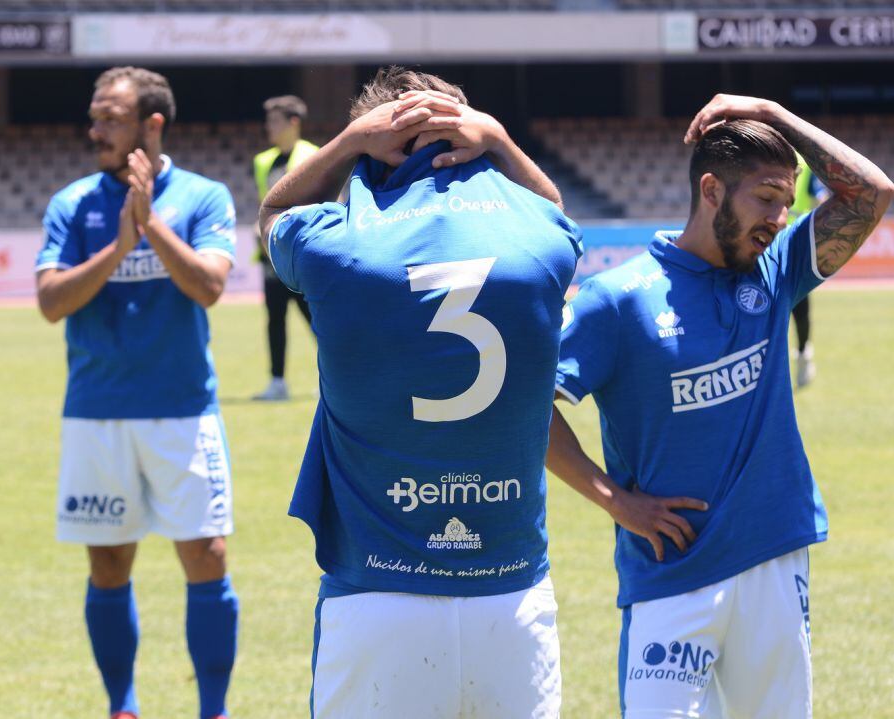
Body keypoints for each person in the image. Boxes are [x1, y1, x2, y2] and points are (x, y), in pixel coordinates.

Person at [547, 94, 894, 718]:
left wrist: (774, 113)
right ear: (712, 190)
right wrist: (615, 501)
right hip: (669, 572)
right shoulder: (617, 300)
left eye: (787, 202)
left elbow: (872, 194)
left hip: (773, 559)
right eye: (766, 197)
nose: (780, 218)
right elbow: (527, 406)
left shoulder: (775, 273)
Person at [259, 67, 583, 718]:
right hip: (510, 594)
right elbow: (556, 214)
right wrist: (501, 141)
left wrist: (347, 143)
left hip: (378, 593)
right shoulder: (542, 244)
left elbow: (271, 216)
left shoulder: (337, 248)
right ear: (469, 136)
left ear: (376, 144)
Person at [35, 66, 240, 719]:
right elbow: (50, 301)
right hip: (97, 414)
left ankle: (213, 709)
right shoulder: (73, 204)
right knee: (108, 562)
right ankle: (122, 707)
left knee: (207, 554)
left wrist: (150, 227)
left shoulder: (204, 197)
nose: (95, 130)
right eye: (94, 117)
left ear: (152, 124)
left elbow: (209, 286)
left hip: (184, 409)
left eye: (111, 119)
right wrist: (119, 244)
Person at [252, 95, 319, 401]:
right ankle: (277, 382)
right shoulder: (263, 161)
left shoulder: (314, 155)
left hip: (304, 256)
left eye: (275, 121)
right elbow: (264, 203)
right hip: (272, 256)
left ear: (294, 123)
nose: (269, 127)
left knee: (318, 320)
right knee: (274, 319)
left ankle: (340, 375)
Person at [789, 153, 829, 387]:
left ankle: (804, 353)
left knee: (800, 311)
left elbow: (821, 197)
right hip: (761, 246)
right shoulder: (759, 154)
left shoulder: (804, 164)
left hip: (794, 249)